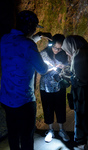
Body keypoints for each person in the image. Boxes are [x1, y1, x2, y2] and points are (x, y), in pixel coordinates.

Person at [0, 10, 48, 150]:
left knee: (13, 134)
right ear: (29, 26)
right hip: (24, 101)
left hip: (6, 99)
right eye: (34, 28)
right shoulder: (28, 45)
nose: (34, 31)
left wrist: (36, 38)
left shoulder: (4, 39)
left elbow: (18, 45)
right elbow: (42, 69)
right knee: (27, 136)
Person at [39, 34, 70, 142]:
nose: (57, 50)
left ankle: (62, 130)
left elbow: (68, 68)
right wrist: (52, 68)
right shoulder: (43, 54)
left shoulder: (64, 54)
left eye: (60, 48)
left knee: (60, 107)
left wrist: (64, 67)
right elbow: (40, 70)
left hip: (59, 85)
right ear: (51, 45)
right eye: (55, 47)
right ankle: (50, 130)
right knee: (48, 108)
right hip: (46, 86)